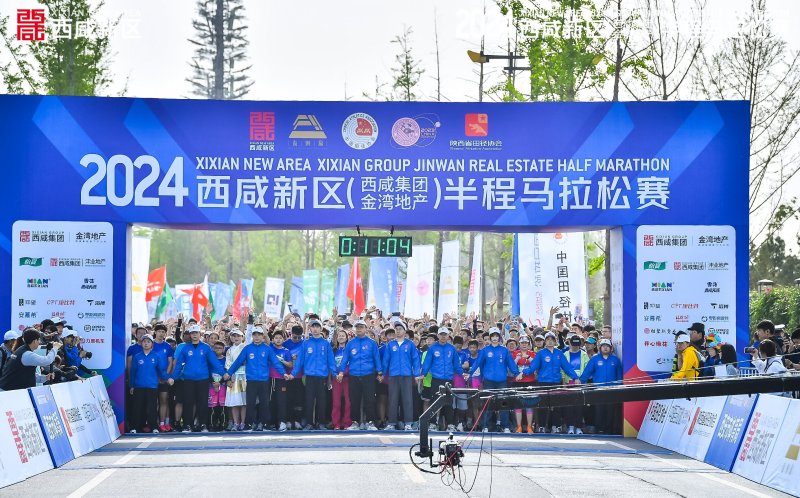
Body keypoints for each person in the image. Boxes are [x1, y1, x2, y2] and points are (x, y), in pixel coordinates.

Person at [224, 326, 288, 431]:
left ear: (263, 336)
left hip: (264, 380)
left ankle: (264, 424)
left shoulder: (267, 348)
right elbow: (238, 361)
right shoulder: (247, 348)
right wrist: (229, 373)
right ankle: (249, 424)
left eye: (259, 335)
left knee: (264, 403)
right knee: (250, 403)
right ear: (252, 336)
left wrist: (283, 373)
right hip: (251, 380)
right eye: (255, 335)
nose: (257, 337)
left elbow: (276, 362)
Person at [168, 324, 225, 432]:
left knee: (202, 402)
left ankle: (203, 424)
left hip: (203, 379)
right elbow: (179, 364)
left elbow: (215, 363)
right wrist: (173, 378)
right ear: (190, 335)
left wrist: (225, 374)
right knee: (188, 402)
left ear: (200, 334)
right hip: (188, 380)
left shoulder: (206, 347)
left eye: (196, 333)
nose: (194, 335)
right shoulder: (185, 348)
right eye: (192, 333)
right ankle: (187, 425)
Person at [520, 331, 580, 433]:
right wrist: (523, 373)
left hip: (556, 382)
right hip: (543, 382)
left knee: (556, 406)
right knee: (542, 406)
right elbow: (533, 366)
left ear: (555, 341)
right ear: (545, 341)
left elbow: (567, 367)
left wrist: (575, 377)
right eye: (548, 339)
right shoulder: (540, 353)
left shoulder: (559, 353)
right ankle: (542, 426)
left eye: (552, 339)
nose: (550, 341)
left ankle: (556, 426)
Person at [467, 328, 520, 433]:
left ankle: (505, 426)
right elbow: (477, 363)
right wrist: (470, 373)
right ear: (490, 337)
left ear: (499, 337)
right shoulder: (485, 350)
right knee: (488, 403)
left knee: (503, 403)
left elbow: (511, 363)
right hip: (488, 381)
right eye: (493, 336)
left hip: (502, 381)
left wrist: (517, 373)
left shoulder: (504, 350)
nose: (495, 338)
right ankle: (485, 426)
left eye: (496, 336)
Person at [287, 319, 337, 430]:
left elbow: (331, 361)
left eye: (317, 327)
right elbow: (300, 361)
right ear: (310, 329)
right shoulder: (306, 343)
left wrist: (335, 374)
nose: (315, 329)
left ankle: (321, 423)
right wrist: (293, 374)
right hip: (309, 377)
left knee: (321, 401)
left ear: (321, 328)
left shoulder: (325, 344)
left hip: (322, 377)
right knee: (309, 400)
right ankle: (309, 423)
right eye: (313, 327)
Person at [338, 319, 382, 431]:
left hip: (369, 375)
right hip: (354, 375)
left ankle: (370, 422)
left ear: (366, 329)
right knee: (354, 400)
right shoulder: (350, 343)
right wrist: (341, 371)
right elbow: (345, 359)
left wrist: (380, 372)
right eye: (357, 327)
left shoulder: (372, 343)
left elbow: (377, 358)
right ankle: (355, 422)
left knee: (370, 399)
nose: (359, 329)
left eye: (361, 327)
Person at [382, 321, 422, 431]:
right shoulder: (390, 344)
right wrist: (382, 373)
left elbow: (416, 360)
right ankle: (391, 423)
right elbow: (386, 361)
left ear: (405, 331)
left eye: (400, 329)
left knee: (407, 399)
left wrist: (417, 374)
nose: (398, 331)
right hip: (393, 375)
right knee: (392, 399)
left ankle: (408, 423)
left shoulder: (410, 344)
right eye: (396, 329)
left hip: (407, 375)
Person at [421, 327, 461, 432]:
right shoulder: (432, 348)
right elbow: (427, 363)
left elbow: (456, 363)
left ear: (448, 336)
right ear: (438, 335)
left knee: (449, 402)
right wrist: (423, 374)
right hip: (436, 379)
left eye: (445, 334)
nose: (443, 336)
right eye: (441, 334)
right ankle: (432, 423)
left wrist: (462, 373)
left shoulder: (452, 348)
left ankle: (450, 424)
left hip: (448, 380)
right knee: (434, 401)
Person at [579, 339, 622, 434]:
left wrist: (618, 388)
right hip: (598, 389)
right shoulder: (595, 359)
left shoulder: (615, 360)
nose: (605, 348)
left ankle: (609, 429)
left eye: (607, 346)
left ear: (611, 348)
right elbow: (587, 372)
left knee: (610, 410)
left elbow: (619, 376)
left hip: (612, 390)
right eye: (603, 346)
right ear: (600, 348)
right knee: (599, 409)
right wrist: (580, 382)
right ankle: (599, 428)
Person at [129, 334, 169, 433]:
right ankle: (134, 427)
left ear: (152, 344)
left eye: (148, 342)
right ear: (141, 343)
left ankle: (154, 427)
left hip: (152, 386)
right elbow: (133, 372)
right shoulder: (137, 356)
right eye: (144, 341)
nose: (146, 343)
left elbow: (161, 370)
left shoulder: (156, 356)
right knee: (137, 408)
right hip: (139, 386)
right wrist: (131, 385)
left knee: (152, 408)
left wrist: (168, 378)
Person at [562, 335, 589, 434]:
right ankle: (570, 426)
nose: (575, 347)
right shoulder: (565, 354)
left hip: (580, 382)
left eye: (577, 345)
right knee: (569, 406)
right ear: (570, 343)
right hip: (569, 381)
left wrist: (582, 380)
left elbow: (587, 369)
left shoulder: (584, 354)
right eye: (573, 344)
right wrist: (564, 381)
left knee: (579, 406)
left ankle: (578, 427)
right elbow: (562, 369)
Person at [269, 329, 293, 431]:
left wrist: (282, 360)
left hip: (282, 379)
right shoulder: (270, 349)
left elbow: (290, 364)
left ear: (283, 340)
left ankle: (282, 422)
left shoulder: (286, 351)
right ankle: (271, 423)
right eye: (276, 338)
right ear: (273, 340)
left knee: (281, 401)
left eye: (280, 338)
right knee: (271, 401)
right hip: (270, 378)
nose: (278, 340)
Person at [512, 335, 536, 434]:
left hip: (530, 382)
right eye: (522, 343)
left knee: (529, 405)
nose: (524, 345)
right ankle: (519, 426)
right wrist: (517, 359)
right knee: (518, 405)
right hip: (517, 382)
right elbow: (511, 366)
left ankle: (529, 426)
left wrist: (528, 358)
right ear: (519, 344)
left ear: (529, 344)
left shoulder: (533, 353)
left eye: (526, 343)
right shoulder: (515, 353)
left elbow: (535, 365)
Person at [224, 329, 247, 430]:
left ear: (242, 337)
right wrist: (229, 377)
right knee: (234, 402)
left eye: (238, 336)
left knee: (244, 401)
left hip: (244, 376)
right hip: (233, 377)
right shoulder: (229, 350)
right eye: (234, 336)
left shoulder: (245, 347)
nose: (236, 338)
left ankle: (243, 422)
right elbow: (228, 364)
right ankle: (236, 423)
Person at [331, 329, 352, 430]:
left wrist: (343, 373)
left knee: (348, 402)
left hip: (347, 379)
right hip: (336, 379)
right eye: (339, 335)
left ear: (347, 338)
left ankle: (347, 423)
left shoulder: (350, 350)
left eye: (343, 335)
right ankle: (336, 423)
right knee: (336, 402)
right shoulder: (334, 350)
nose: (341, 337)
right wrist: (336, 374)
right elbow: (331, 364)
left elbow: (351, 364)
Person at [209, 341, 228, 431]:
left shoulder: (226, 359)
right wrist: (214, 383)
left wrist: (219, 383)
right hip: (212, 385)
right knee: (212, 405)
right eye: (216, 348)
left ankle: (222, 424)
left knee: (222, 406)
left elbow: (227, 373)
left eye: (220, 348)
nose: (218, 350)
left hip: (222, 385)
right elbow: (208, 372)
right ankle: (213, 424)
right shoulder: (210, 359)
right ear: (213, 349)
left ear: (223, 349)